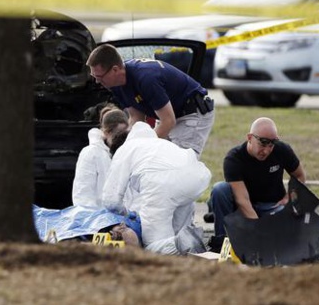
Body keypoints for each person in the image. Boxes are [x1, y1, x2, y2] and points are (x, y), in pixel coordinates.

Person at [102, 121, 211, 255]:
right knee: (178, 233)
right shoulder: (162, 144)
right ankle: (188, 242)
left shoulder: (126, 149)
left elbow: (110, 200)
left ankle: (183, 242)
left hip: (161, 183)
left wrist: (125, 214)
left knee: (153, 244)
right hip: (196, 178)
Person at [86, 44, 215, 157]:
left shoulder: (146, 78)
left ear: (115, 69)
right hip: (168, 114)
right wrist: (127, 147)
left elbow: (168, 121)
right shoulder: (116, 84)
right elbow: (136, 118)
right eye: (94, 77)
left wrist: (142, 150)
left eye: (99, 76)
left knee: (176, 165)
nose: (97, 81)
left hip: (191, 113)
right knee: (156, 159)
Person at [206, 117, 306, 252]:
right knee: (220, 189)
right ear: (249, 138)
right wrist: (257, 231)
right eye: (262, 145)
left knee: (289, 227)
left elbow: (300, 176)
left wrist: (289, 199)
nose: (266, 151)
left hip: (272, 206)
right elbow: (243, 201)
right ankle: (223, 241)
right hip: (243, 207)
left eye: (270, 146)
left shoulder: (282, 150)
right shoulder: (234, 159)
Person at [71, 106, 128, 208]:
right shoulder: (91, 153)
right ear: (106, 133)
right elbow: (82, 196)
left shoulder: (127, 153)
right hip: (99, 219)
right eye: (118, 135)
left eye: (124, 134)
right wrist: (102, 222)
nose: (121, 139)